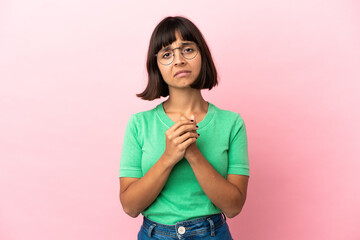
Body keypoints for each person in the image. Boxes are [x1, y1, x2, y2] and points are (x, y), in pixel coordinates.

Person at [119, 16, 250, 240]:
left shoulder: (232, 123)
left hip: (212, 233)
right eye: (167, 54)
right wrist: (169, 156)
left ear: (202, 55)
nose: (179, 60)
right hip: (154, 234)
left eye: (187, 49)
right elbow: (130, 207)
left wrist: (193, 153)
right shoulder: (139, 124)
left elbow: (233, 207)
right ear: (156, 66)